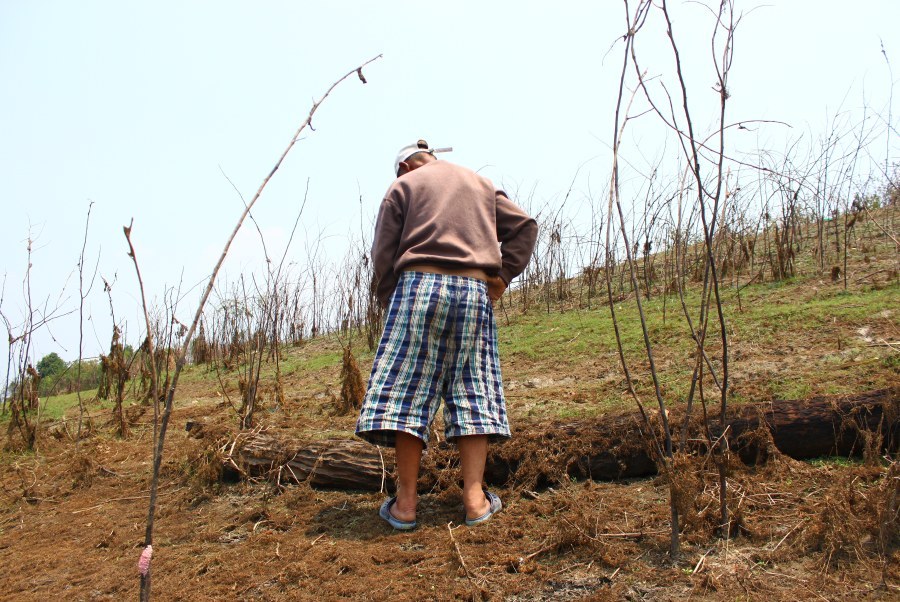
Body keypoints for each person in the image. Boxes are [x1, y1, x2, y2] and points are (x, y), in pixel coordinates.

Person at [356, 139, 537, 530]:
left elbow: (383, 252)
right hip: (474, 291)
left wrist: (390, 298)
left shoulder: (403, 186)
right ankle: (474, 501)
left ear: (405, 167)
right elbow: (525, 227)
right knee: (473, 388)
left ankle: (405, 506)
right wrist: (502, 277)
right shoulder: (480, 183)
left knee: (408, 392)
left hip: (418, 287)